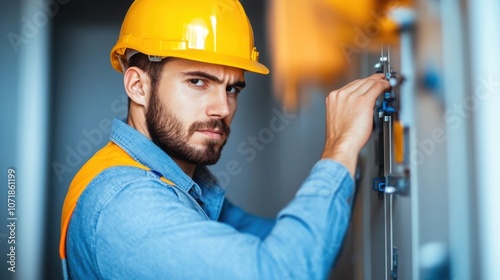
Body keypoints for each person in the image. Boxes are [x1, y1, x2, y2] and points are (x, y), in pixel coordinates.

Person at [59, 0, 390, 279]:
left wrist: (356, 160)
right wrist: (340, 148)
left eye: (232, 88)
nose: (222, 108)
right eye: (198, 82)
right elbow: (283, 271)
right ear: (138, 86)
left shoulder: (179, 182)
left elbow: (305, 248)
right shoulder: (127, 204)